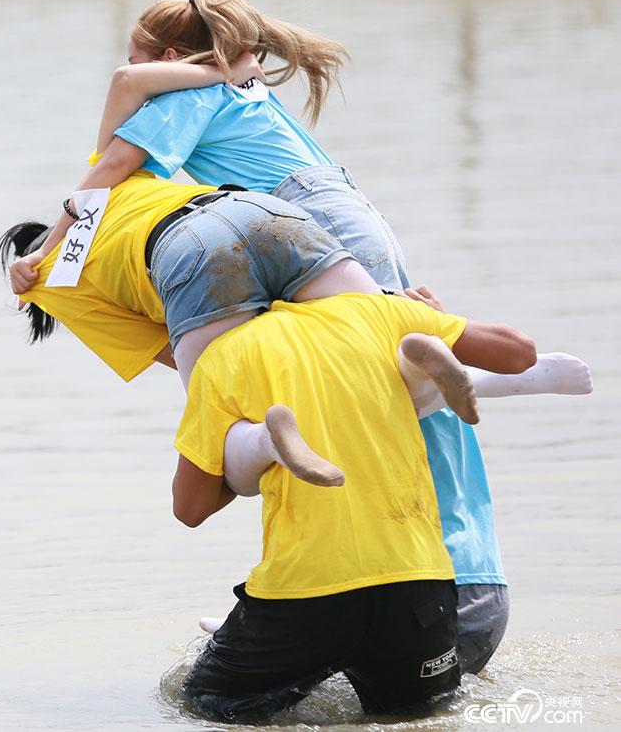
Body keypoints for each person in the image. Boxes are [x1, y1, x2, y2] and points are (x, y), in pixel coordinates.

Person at [6, 0, 593, 673]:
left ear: (166, 57)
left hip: (304, 214)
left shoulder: (182, 98)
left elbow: (109, 164)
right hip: (341, 209)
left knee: (327, 386)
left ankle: (307, 586)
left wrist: (47, 248)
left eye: (137, 53)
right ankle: (487, 379)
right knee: (367, 368)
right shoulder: (249, 92)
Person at [170, 291, 540, 722]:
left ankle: (265, 442)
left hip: (305, 593)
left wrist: (238, 470)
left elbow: (189, 508)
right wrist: (435, 316)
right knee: (419, 717)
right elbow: (519, 352)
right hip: (418, 588)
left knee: (202, 706)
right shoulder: (383, 310)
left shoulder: (224, 354)